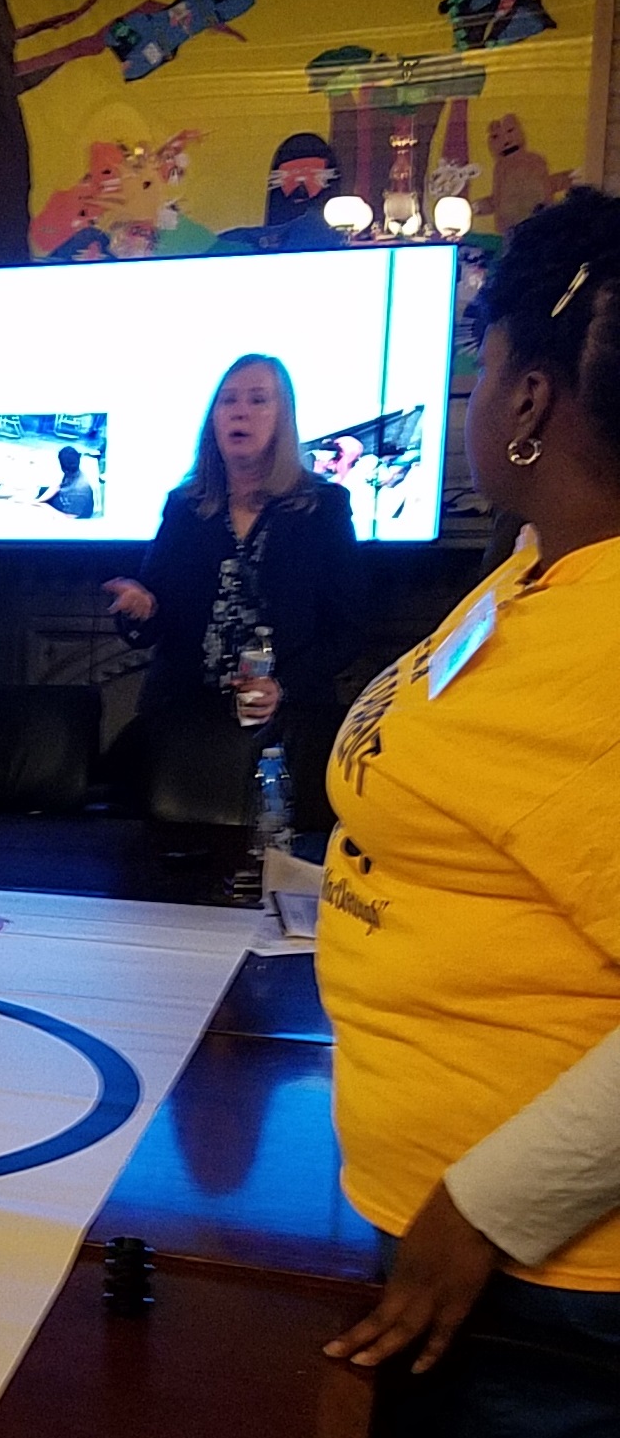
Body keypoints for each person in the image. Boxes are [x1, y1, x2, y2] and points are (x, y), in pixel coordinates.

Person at [318, 188, 620, 1435]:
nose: (468, 403)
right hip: (451, 1239)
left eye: (479, 366)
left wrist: (488, 1205)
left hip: (536, 1291)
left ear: (533, 399)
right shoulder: (534, 565)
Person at [103, 354, 362, 827]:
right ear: (213, 419)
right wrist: (139, 609)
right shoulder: (185, 507)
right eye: (228, 401)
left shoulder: (322, 506)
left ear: (283, 417)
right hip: (185, 727)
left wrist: (283, 687)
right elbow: (155, 613)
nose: (239, 412)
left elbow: (347, 628)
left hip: (287, 726)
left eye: (258, 400)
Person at [36, 444, 95, 519]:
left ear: (63, 467)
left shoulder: (80, 490)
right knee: (40, 491)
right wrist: (38, 501)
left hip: (73, 516)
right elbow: (57, 486)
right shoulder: (72, 471)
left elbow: (70, 518)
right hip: (65, 500)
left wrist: (44, 505)